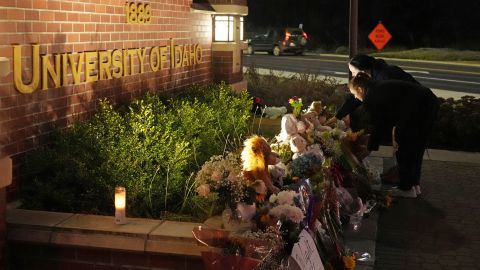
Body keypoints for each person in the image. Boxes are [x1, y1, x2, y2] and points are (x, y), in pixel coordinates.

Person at [348, 73, 439, 198]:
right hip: (429, 102)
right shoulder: (377, 87)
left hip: (417, 110)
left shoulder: (371, 96)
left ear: (359, 89)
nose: (356, 97)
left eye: (354, 94)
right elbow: (387, 120)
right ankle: (414, 185)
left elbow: (380, 124)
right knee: (417, 148)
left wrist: (370, 148)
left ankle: (406, 188)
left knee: (405, 149)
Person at [328, 54, 420, 124]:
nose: (352, 75)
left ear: (362, 71)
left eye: (353, 72)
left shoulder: (384, 77)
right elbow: (356, 97)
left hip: (418, 109)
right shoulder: (373, 75)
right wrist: (338, 116)